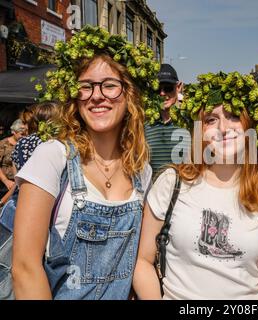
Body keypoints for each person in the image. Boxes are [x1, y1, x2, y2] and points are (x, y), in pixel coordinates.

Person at [11, 26, 159, 300]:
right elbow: (25, 268)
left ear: (130, 95)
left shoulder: (142, 171)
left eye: (110, 85)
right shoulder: (53, 157)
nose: (97, 95)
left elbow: (141, 264)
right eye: (86, 86)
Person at [133, 72, 258, 300]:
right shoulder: (172, 183)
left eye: (234, 116)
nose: (224, 128)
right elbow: (143, 262)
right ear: (199, 131)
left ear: (251, 125)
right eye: (211, 119)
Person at [144, 63, 190, 179]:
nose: (162, 93)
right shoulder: (145, 124)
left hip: (183, 194)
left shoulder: (190, 122)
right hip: (152, 194)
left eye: (168, 88)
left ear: (179, 87)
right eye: (157, 89)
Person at [0, 119, 26, 202]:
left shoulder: (25, 143)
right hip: (5, 185)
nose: (24, 136)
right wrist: (6, 181)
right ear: (14, 132)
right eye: (21, 134)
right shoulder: (3, 144)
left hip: (20, 182)